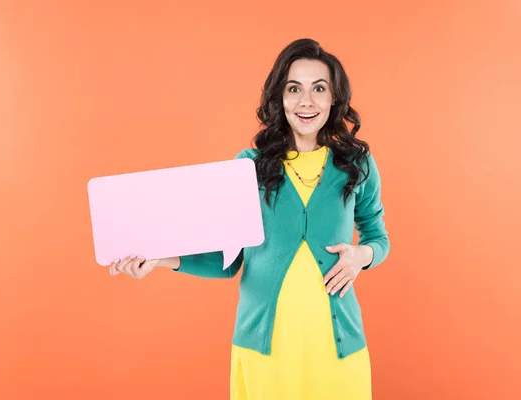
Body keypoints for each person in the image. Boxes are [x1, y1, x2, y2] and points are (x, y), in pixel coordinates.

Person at [106, 38, 390, 400]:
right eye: (293, 89)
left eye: (319, 88)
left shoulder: (356, 164)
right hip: (265, 350)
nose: (306, 101)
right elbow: (227, 263)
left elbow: (378, 237)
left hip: (337, 348)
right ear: (279, 98)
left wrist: (360, 257)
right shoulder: (249, 166)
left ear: (334, 98)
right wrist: (159, 259)